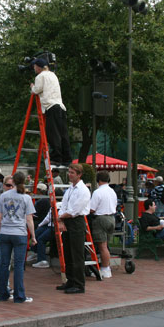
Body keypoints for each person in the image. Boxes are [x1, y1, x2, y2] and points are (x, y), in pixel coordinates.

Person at [0, 171, 37, 303]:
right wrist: (33, 236)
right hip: (19, 233)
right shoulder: (26, 198)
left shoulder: (3, 196)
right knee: (18, 265)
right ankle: (19, 295)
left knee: (4, 264)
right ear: (24, 182)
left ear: (12, 181)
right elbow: (29, 219)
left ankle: (3, 293)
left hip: (5, 232)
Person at [30, 58, 72, 167]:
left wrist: (32, 87)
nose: (34, 68)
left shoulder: (40, 76)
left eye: (35, 66)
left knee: (53, 134)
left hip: (51, 107)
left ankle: (56, 158)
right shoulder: (53, 75)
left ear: (38, 67)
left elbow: (36, 90)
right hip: (60, 107)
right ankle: (67, 158)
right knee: (63, 134)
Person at [56, 164, 90, 294]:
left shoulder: (83, 190)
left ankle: (79, 284)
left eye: (72, 173)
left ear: (79, 174)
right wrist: (62, 218)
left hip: (76, 221)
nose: (69, 175)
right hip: (67, 220)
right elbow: (64, 205)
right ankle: (70, 280)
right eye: (69, 172)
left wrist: (61, 218)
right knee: (68, 252)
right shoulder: (70, 189)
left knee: (77, 253)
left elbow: (75, 210)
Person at [89, 171, 117, 279]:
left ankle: (105, 269)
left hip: (100, 218)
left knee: (102, 246)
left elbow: (92, 208)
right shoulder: (112, 191)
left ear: (98, 180)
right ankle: (105, 267)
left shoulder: (97, 192)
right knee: (106, 245)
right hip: (111, 218)